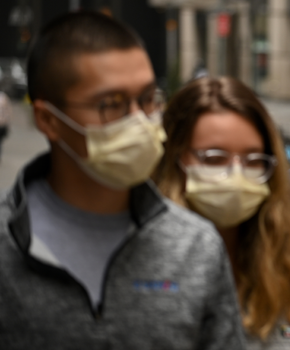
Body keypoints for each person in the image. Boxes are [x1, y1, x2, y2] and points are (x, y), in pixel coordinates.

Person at [0, 12, 245, 349]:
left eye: (147, 99)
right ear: (48, 119)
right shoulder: (6, 246)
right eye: (111, 104)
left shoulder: (195, 246)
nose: (140, 121)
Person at [152, 76, 290, 350]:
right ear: (174, 161)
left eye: (253, 160)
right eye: (214, 158)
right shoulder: (140, 267)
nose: (236, 175)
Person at [0, 90, 11, 161]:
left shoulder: (4, 97)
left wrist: (7, 121)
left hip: (1, 124)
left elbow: (8, 111)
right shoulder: (4, 97)